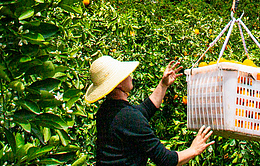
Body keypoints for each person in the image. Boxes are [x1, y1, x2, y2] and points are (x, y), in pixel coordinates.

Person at [85, 55, 213, 166]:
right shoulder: (128, 117)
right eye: (125, 75)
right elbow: (165, 160)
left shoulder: (107, 110)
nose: (130, 76)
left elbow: (144, 110)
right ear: (118, 84)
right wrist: (194, 149)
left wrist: (163, 85)